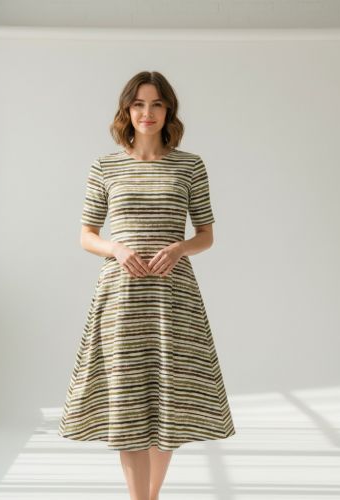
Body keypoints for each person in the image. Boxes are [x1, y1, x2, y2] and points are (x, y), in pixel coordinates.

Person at [58, 70, 236, 500]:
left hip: (173, 296)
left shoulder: (190, 165)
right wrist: (116, 249)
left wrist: (180, 248)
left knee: (168, 398)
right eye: (138, 104)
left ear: (168, 110)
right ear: (127, 110)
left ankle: (151, 496)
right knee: (128, 400)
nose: (147, 112)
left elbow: (206, 235)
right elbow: (86, 235)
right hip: (121, 297)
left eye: (156, 104)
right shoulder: (105, 166)